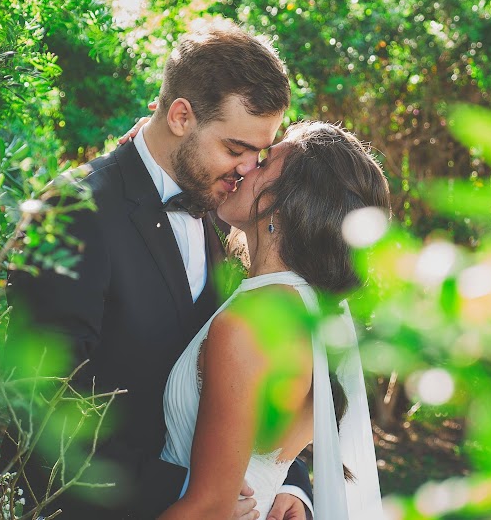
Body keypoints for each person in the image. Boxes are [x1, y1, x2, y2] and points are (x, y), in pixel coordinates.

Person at [6, 21, 313, 519]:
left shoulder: (228, 211)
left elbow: (252, 372)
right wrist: (195, 495)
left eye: (259, 153)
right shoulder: (73, 212)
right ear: (180, 116)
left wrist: (285, 483)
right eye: (235, 149)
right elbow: (43, 414)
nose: (247, 170)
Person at [157, 121, 390, 519]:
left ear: (285, 204)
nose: (246, 168)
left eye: (264, 164)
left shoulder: (254, 324)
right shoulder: (307, 311)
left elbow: (208, 509)